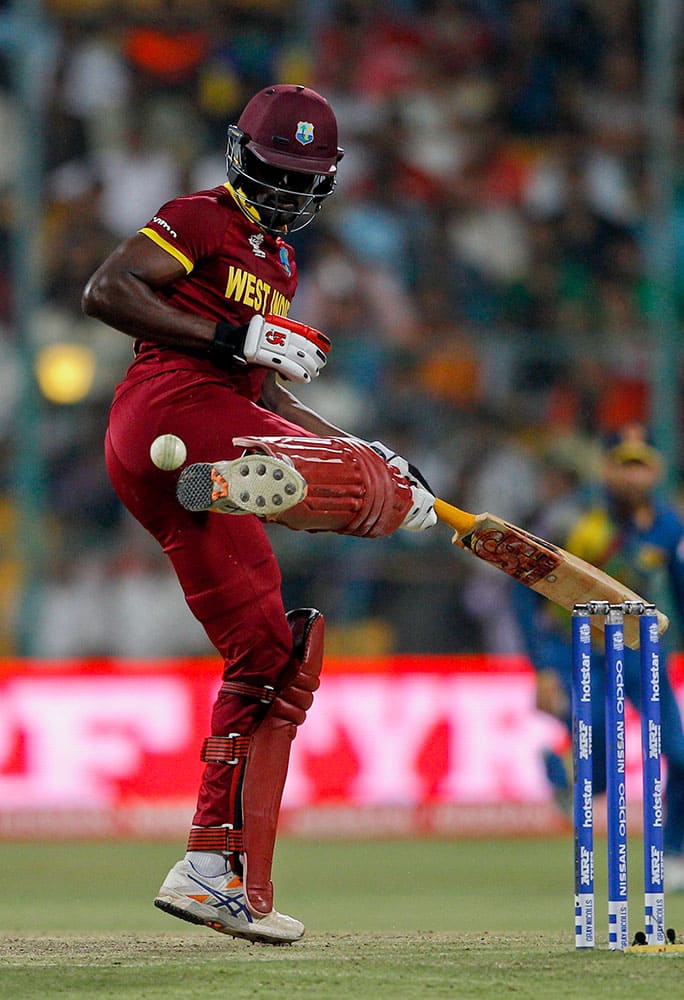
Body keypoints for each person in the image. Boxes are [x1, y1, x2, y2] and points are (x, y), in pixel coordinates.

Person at [81, 84, 437, 944]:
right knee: (358, 490)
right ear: (241, 154)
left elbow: (265, 387)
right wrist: (231, 339)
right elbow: (107, 288)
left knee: (273, 655)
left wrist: (360, 443)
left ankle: (215, 872)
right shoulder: (198, 218)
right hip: (168, 410)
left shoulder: (278, 266)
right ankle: (312, 486)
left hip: (205, 437)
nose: (283, 191)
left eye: (300, 178)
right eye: (275, 171)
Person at [514, 425, 684, 891]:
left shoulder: (668, 524)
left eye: (642, 465)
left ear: (657, 469)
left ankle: (673, 854)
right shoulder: (570, 518)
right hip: (575, 646)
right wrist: (542, 667)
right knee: (600, 758)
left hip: (640, 650)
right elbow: (525, 591)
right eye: (624, 466)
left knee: (680, 754)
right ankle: (564, 770)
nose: (634, 478)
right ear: (605, 469)